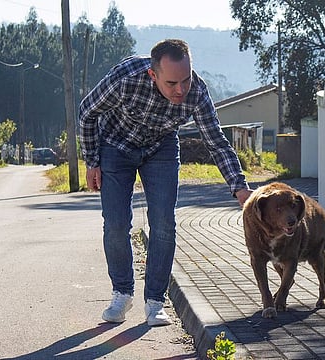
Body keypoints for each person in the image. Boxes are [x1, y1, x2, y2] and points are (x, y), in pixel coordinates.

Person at [79, 39, 252, 326]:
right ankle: (122, 293)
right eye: (172, 83)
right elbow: (88, 111)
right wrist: (92, 160)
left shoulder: (196, 92)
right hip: (115, 146)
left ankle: (155, 302)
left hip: (161, 148)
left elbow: (217, 142)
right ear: (153, 74)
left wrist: (239, 187)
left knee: (163, 222)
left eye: (185, 79)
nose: (181, 90)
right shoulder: (127, 80)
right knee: (117, 223)